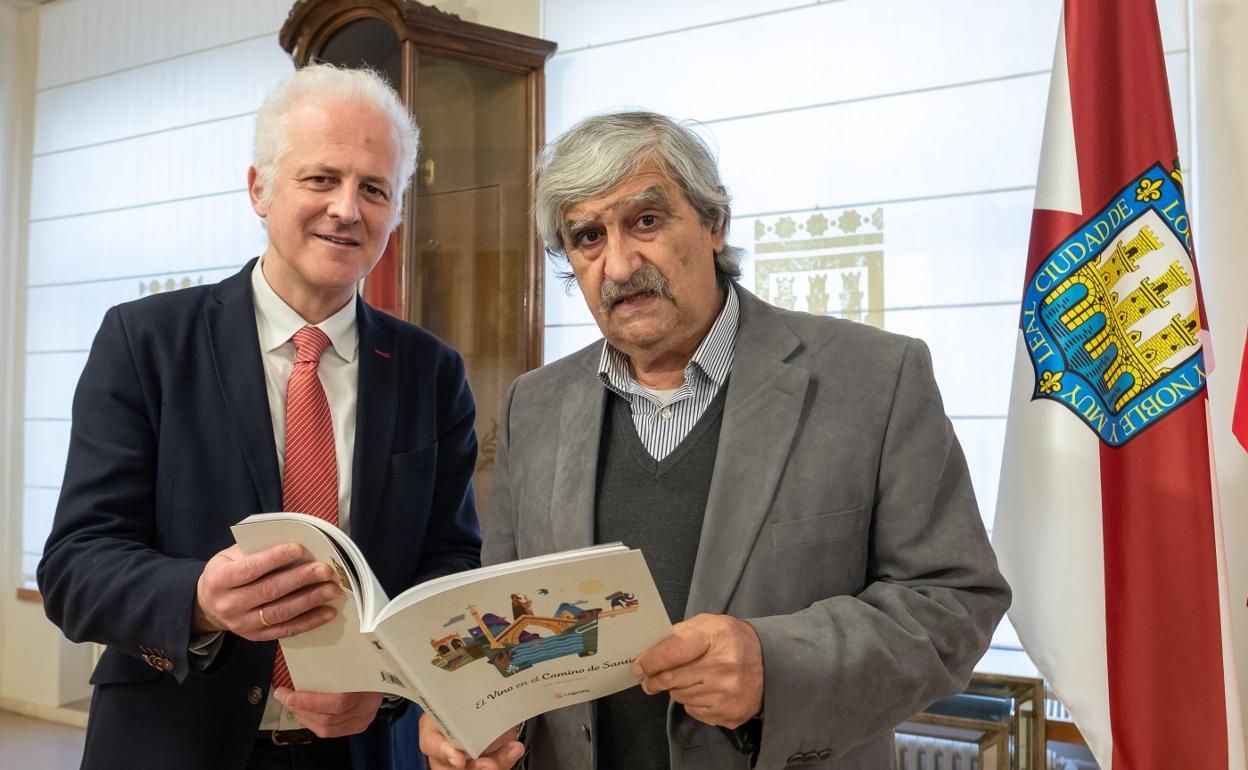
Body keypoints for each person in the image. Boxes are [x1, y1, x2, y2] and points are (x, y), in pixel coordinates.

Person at [418, 111, 1011, 770]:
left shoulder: (873, 379)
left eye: (646, 221)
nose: (619, 264)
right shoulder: (537, 403)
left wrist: (777, 666)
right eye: (588, 236)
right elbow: (507, 621)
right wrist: (469, 713)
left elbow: (954, 603)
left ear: (713, 223)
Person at [38, 64, 482, 770]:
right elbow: (74, 568)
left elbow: (449, 567)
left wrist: (389, 688)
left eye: (374, 189)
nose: (346, 208)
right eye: (320, 178)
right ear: (259, 189)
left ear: (397, 211)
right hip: (171, 742)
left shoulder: (433, 372)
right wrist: (199, 601)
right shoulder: (144, 342)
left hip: (361, 749)